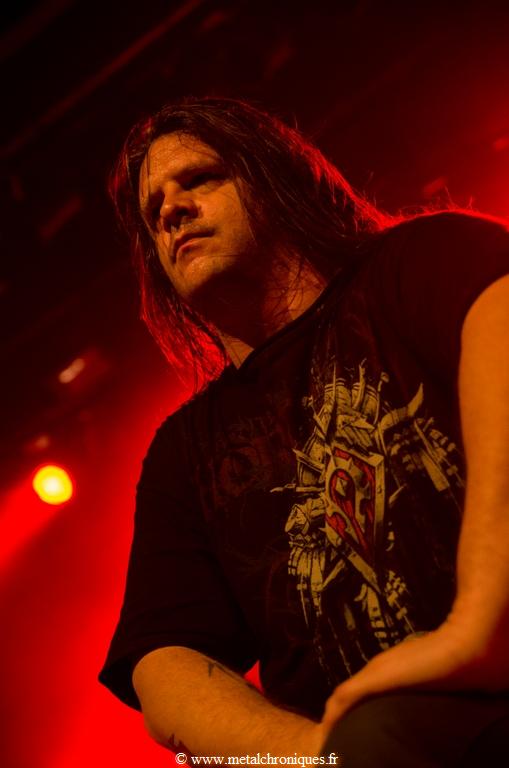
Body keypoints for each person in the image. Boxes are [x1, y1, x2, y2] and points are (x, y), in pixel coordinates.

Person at [99, 97, 509, 765]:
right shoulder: (182, 451)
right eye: (152, 211)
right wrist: (315, 754)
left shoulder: (426, 258)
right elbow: (163, 664)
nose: (170, 209)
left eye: (199, 178)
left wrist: (478, 631)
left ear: (275, 179)